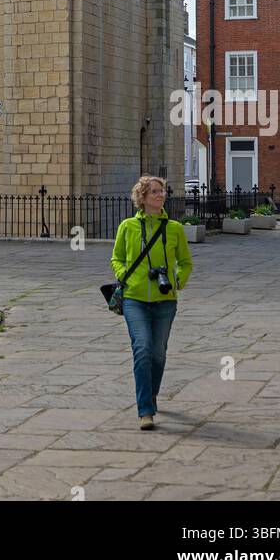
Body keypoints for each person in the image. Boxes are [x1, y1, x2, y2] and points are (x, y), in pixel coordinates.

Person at [110, 175, 193, 430]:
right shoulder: (127, 226)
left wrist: (178, 280)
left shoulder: (175, 229)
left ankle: (152, 392)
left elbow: (186, 262)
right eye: (155, 192)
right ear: (142, 197)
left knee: (158, 354)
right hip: (135, 298)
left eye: (162, 191)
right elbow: (117, 259)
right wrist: (125, 276)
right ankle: (145, 410)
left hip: (165, 301)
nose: (161, 195)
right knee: (143, 349)